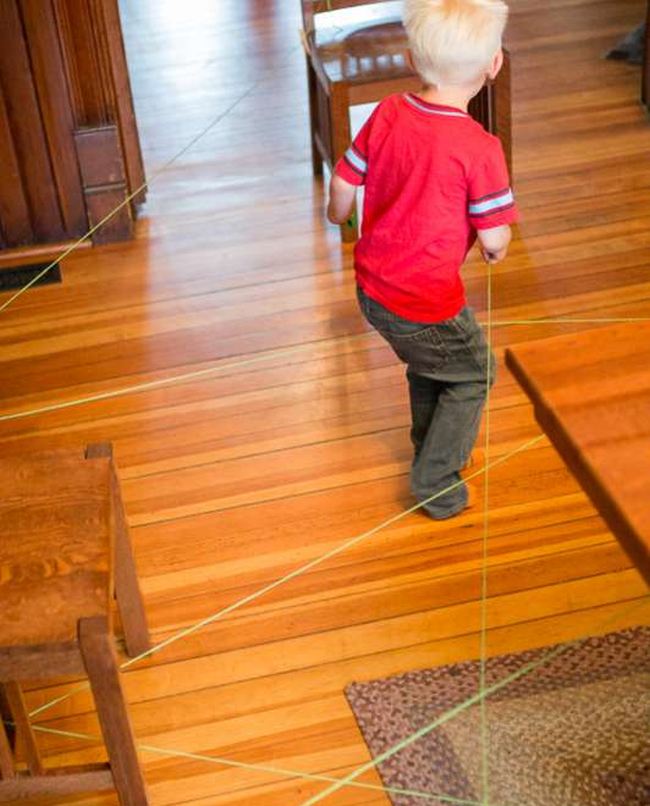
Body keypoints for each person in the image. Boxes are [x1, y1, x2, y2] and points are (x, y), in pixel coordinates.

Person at [327, 0, 518, 519]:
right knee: (475, 372)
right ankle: (435, 478)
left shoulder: (388, 111)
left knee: (429, 365)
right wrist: (494, 250)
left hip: (372, 288)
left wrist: (336, 217)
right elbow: (496, 236)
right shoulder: (480, 148)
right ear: (493, 65)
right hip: (423, 300)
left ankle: (429, 445)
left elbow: (344, 182)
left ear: (413, 58)